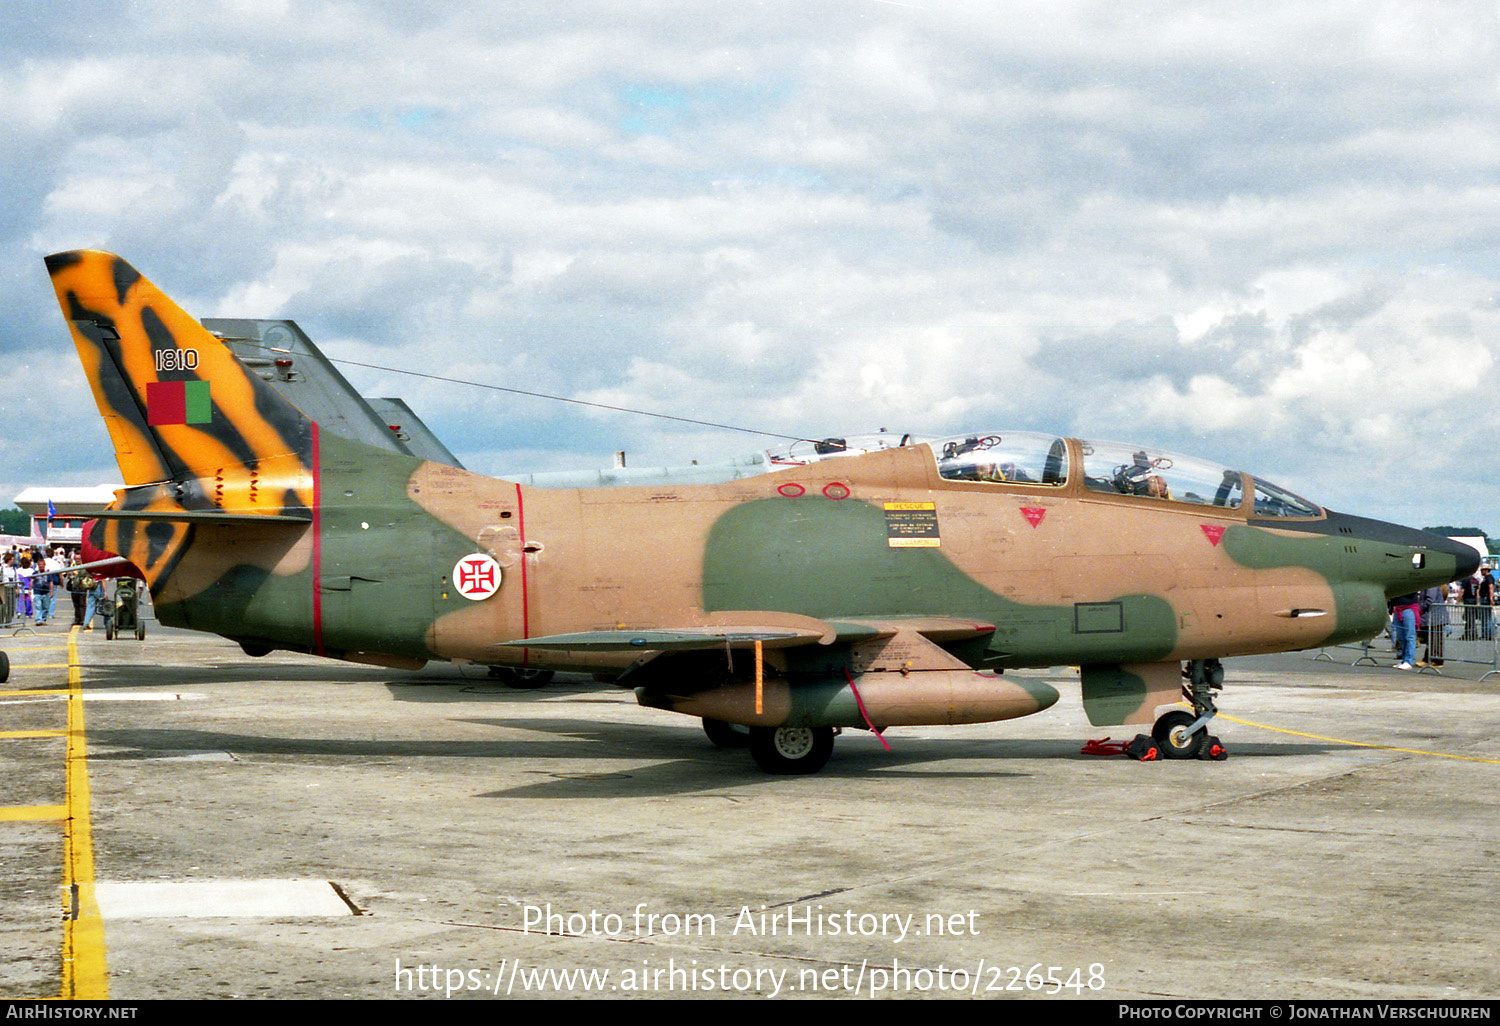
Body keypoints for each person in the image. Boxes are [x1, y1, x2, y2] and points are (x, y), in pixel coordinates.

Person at [1388, 592, 1421, 670]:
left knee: (1409, 636)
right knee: (1401, 637)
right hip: (1398, 609)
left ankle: (1409, 661)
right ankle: (1404, 660)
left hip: (1408, 608)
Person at [1419, 584, 1449, 668]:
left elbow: (1430, 600)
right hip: (1433, 617)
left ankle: (1437, 660)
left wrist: (1420, 608)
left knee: (1435, 639)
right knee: (1431, 639)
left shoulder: (1431, 585)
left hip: (1435, 617)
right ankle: (1427, 659)